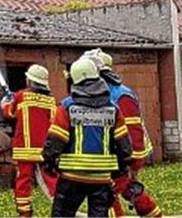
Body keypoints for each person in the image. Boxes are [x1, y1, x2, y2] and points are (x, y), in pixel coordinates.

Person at [42, 57, 133, 217]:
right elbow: (125, 147)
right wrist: (121, 169)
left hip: (71, 177)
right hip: (101, 179)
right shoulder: (113, 109)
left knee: (62, 214)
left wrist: (49, 162)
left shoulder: (67, 107)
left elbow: (56, 141)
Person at [86, 49, 164, 218]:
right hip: (113, 155)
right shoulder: (102, 94)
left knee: (107, 192)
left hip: (125, 155)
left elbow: (134, 133)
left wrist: (133, 163)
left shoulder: (121, 96)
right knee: (128, 190)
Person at [0, 64, 58, 217]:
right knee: (51, 179)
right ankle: (61, 208)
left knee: (23, 182)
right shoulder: (50, 100)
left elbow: (9, 113)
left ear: (30, 81)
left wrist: (6, 102)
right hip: (44, 149)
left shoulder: (21, 96)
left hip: (24, 150)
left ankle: (25, 213)